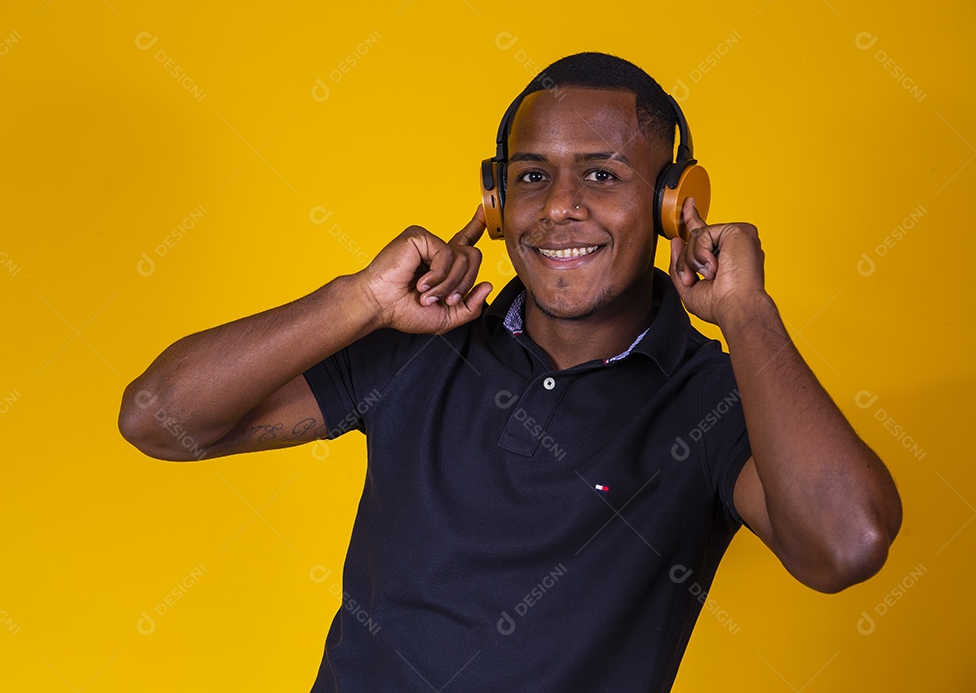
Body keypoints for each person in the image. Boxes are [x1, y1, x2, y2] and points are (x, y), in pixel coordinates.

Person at [118, 52, 903, 692]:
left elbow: (847, 543)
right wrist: (357, 299)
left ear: (675, 204)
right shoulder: (416, 344)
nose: (559, 206)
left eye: (602, 175)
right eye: (531, 176)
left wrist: (747, 312)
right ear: (493, 201)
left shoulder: (718, 400)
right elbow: (158, 418)